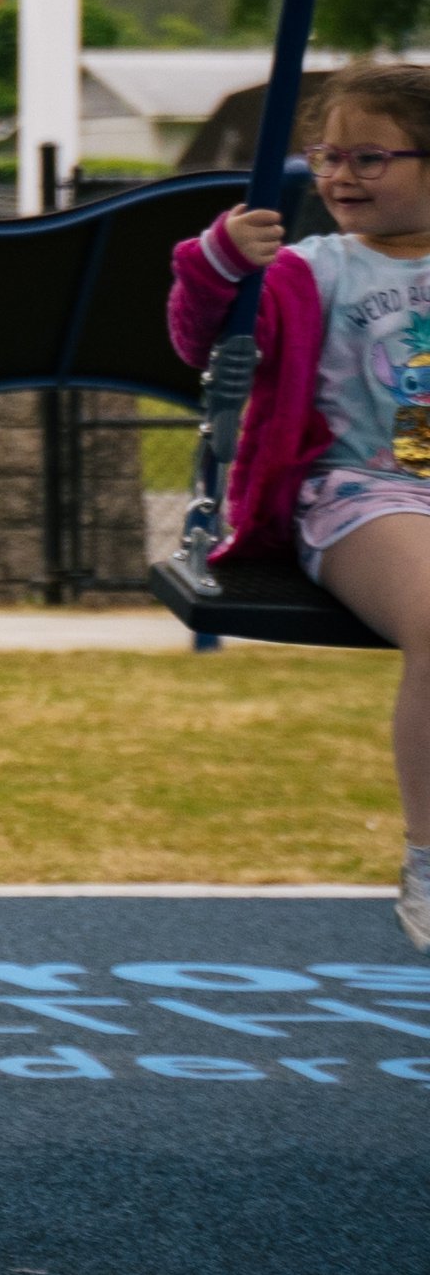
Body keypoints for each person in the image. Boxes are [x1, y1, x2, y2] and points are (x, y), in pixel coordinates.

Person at [167, 60, 430, 941]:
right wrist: (220, 263)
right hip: (361, 490)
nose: (339, 178)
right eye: (326, 156)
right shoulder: (310, 270)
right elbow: (198, 331)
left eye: (369, 157)